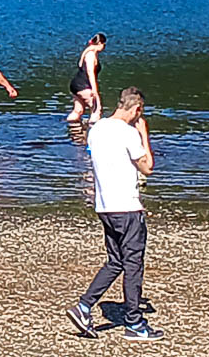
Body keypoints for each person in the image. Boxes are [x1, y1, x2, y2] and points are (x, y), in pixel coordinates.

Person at [67, 87, 164, 342]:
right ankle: (134, 322)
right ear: (136, 110)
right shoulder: (129, 132)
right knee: (133, 264)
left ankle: (84, 306)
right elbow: (148, 168)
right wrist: (144, 135)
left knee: (116, 261)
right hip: (127, 207)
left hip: (104, 206)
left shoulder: (97, 128)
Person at [66, 34, 107, 124]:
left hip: (76, 86)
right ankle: (94, 131)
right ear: (100, 43)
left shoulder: (89, 53)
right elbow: (90, 72)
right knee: (96, 109)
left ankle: (72, 132)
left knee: (78, 110)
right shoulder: (90, 55)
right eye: (104, 45)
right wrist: (94, 89)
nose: (104, 47)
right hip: (83, 85)